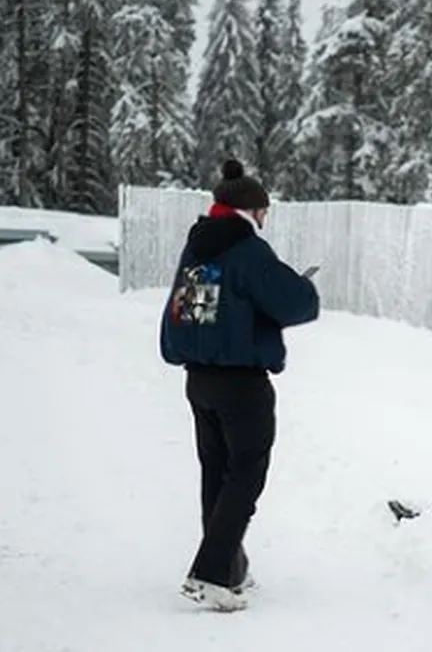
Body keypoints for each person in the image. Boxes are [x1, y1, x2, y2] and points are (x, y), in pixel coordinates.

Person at [160, 158, 321, 612]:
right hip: (242, 385)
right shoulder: (249, 250)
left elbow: (198, 312)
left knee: (218, 474)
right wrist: (302, 288)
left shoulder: (198, 249)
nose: (266, 220)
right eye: (265, 212)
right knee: (246, 475)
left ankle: (230, 567)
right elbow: (292, 304)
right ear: (252, 210)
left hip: (199, 381)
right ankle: (210, 573)